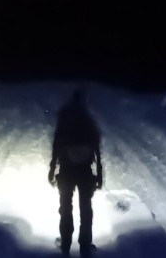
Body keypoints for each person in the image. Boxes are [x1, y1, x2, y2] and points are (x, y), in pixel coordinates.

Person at [48, 89, 103, 255]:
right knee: (86, 208)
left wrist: (52, 168)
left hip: (66, 170)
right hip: (85, 170)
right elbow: (96, 147)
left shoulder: (64, 117)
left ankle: (65, 245)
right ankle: (85, 246)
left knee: (65, 207)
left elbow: (57, 144)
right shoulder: (88, 119)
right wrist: (99, 173)